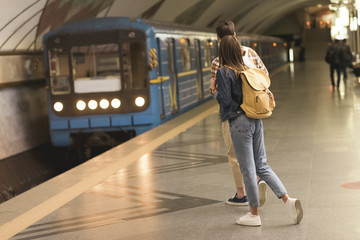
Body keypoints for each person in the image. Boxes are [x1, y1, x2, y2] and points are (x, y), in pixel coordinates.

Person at [211, 35, 303, 227]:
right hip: (256, 120)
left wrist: (215, 90)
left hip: (239, 123)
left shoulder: (224, 72)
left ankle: (253, 214)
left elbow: (226, 102)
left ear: (222, 52)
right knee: (262, 165)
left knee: (248, 169)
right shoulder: (247, 69)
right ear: (238, 50)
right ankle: (288, 200)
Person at [210, 19, 267, 207]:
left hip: (232, 116)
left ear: (218, 39)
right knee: (256, 155)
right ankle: (258, 180)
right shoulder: (251, 54)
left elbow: (223, 98)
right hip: (254, 110)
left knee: (234, 154)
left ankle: (242, 194)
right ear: (235, 35)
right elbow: (265, 78)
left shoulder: (217, 63)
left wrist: (213, 90)